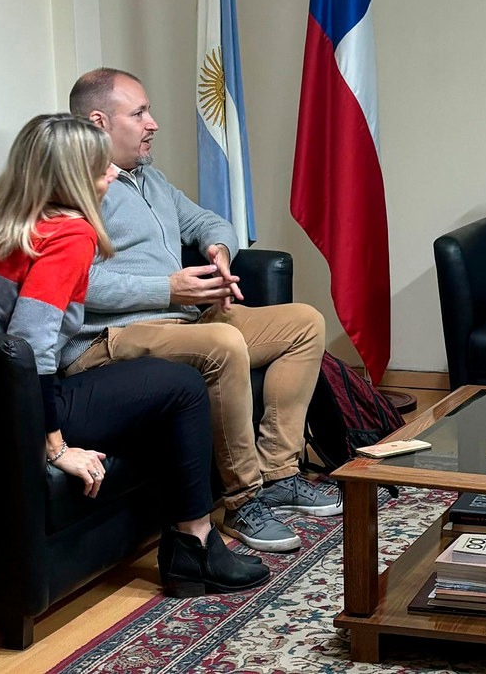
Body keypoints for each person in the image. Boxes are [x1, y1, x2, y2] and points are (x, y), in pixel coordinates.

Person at [0, 113, 268, 596]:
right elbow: (30, 347)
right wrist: (56, 447)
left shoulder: (7, 221)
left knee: (161, 384)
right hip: (10, 409)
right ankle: (195, 547)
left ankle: (192, 546)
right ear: (73, 176)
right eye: (102, 169)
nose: (111, 177)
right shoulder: (69, 233)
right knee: (182, 387)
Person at [63, 67, 335, 554]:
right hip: (110, 337)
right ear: (100, 122)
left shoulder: (149, 177)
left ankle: (277, 474)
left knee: (304, 323)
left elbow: (209, 221)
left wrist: (218, 252)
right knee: (223, 342)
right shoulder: (72, 188)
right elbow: (79, 284)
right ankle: (242, 499)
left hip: (182, 322)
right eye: (140, 112)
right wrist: (169, 289)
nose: (154, 123)